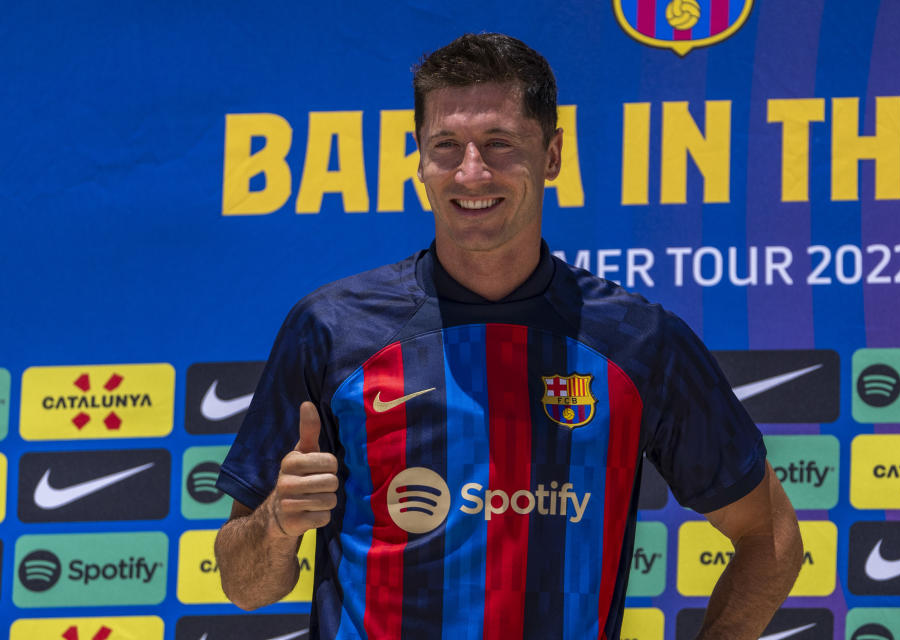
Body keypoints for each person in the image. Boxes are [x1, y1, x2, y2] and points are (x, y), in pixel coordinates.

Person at [214, 32, 803, 640]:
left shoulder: (639, 340)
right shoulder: (332, 328)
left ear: (552, 155)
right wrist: (278, 526)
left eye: (499, 144)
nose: (472, 172)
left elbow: (771, 538)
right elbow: (244, 584)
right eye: (446, 146)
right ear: (419, 158)